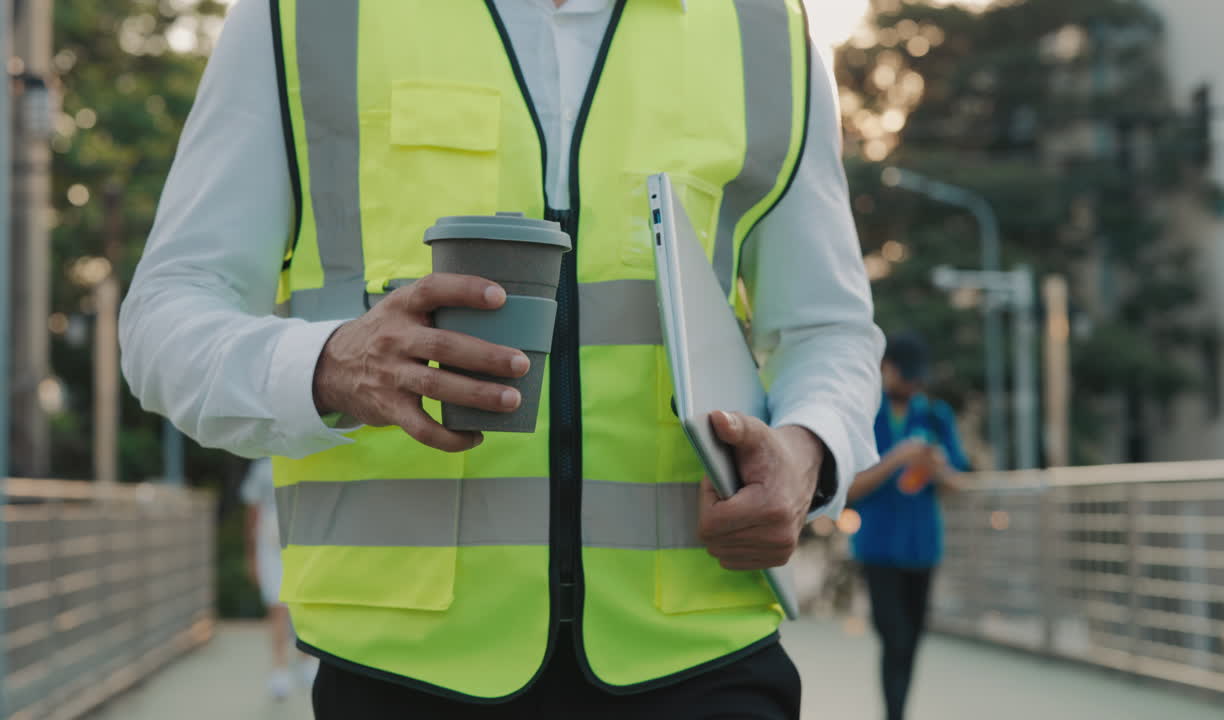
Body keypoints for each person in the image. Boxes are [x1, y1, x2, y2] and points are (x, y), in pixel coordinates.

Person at [120, 1, 884, 717]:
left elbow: (828, 329)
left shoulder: (763, 26)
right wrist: (328, 365)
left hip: (704, 656)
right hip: (404, 666)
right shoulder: (306, 14)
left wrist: (809, 450)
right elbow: (163, 320)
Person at [846, 332, 970, 720]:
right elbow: (848, 489)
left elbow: (958, 483)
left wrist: (935, 469)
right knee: (893, 636)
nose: (913, 383)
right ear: (885, 369)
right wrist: (896, 458)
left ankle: (897, 713)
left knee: (911, 641)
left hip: (923, 547)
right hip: (878, 547)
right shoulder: (864, 413)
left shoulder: (936, 416)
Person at [240, 458, 319, 700]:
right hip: (272, 544)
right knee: (278, 608)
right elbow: (253, 513)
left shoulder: (310, 455)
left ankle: (306, 660)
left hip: (304, 540)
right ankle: (279, 668)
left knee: (303, 603)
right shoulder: (264, 467)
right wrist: (252, 556)